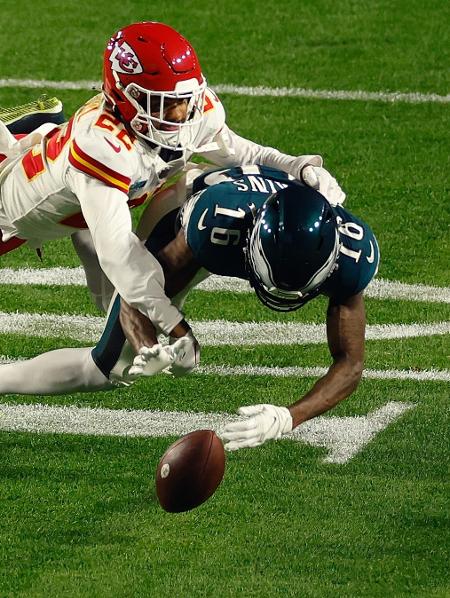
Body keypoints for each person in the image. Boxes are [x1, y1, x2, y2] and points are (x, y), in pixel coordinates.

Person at [0, 20, 344, 363]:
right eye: (163, 103)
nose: (181, 113)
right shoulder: (102, 147)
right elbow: (119, 253)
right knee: (114, 268)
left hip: (74, 201)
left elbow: (239, 152)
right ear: (125, 96)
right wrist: (175, 325)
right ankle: (20, 132)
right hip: (12, 210)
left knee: (112, 297)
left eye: (183, 99)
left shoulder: (190, 112)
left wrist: (299, 166)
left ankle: (38, 128)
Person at [0, 164, 379, 452]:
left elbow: (350, 363)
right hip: (183, 203)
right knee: (110, 365)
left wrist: (286, 418)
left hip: (235, 213)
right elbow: (138, 293)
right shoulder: (216, 227)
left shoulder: (351, 254)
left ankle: (83, 223)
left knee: (106, 301)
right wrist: (155, 344)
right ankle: (73, 201)